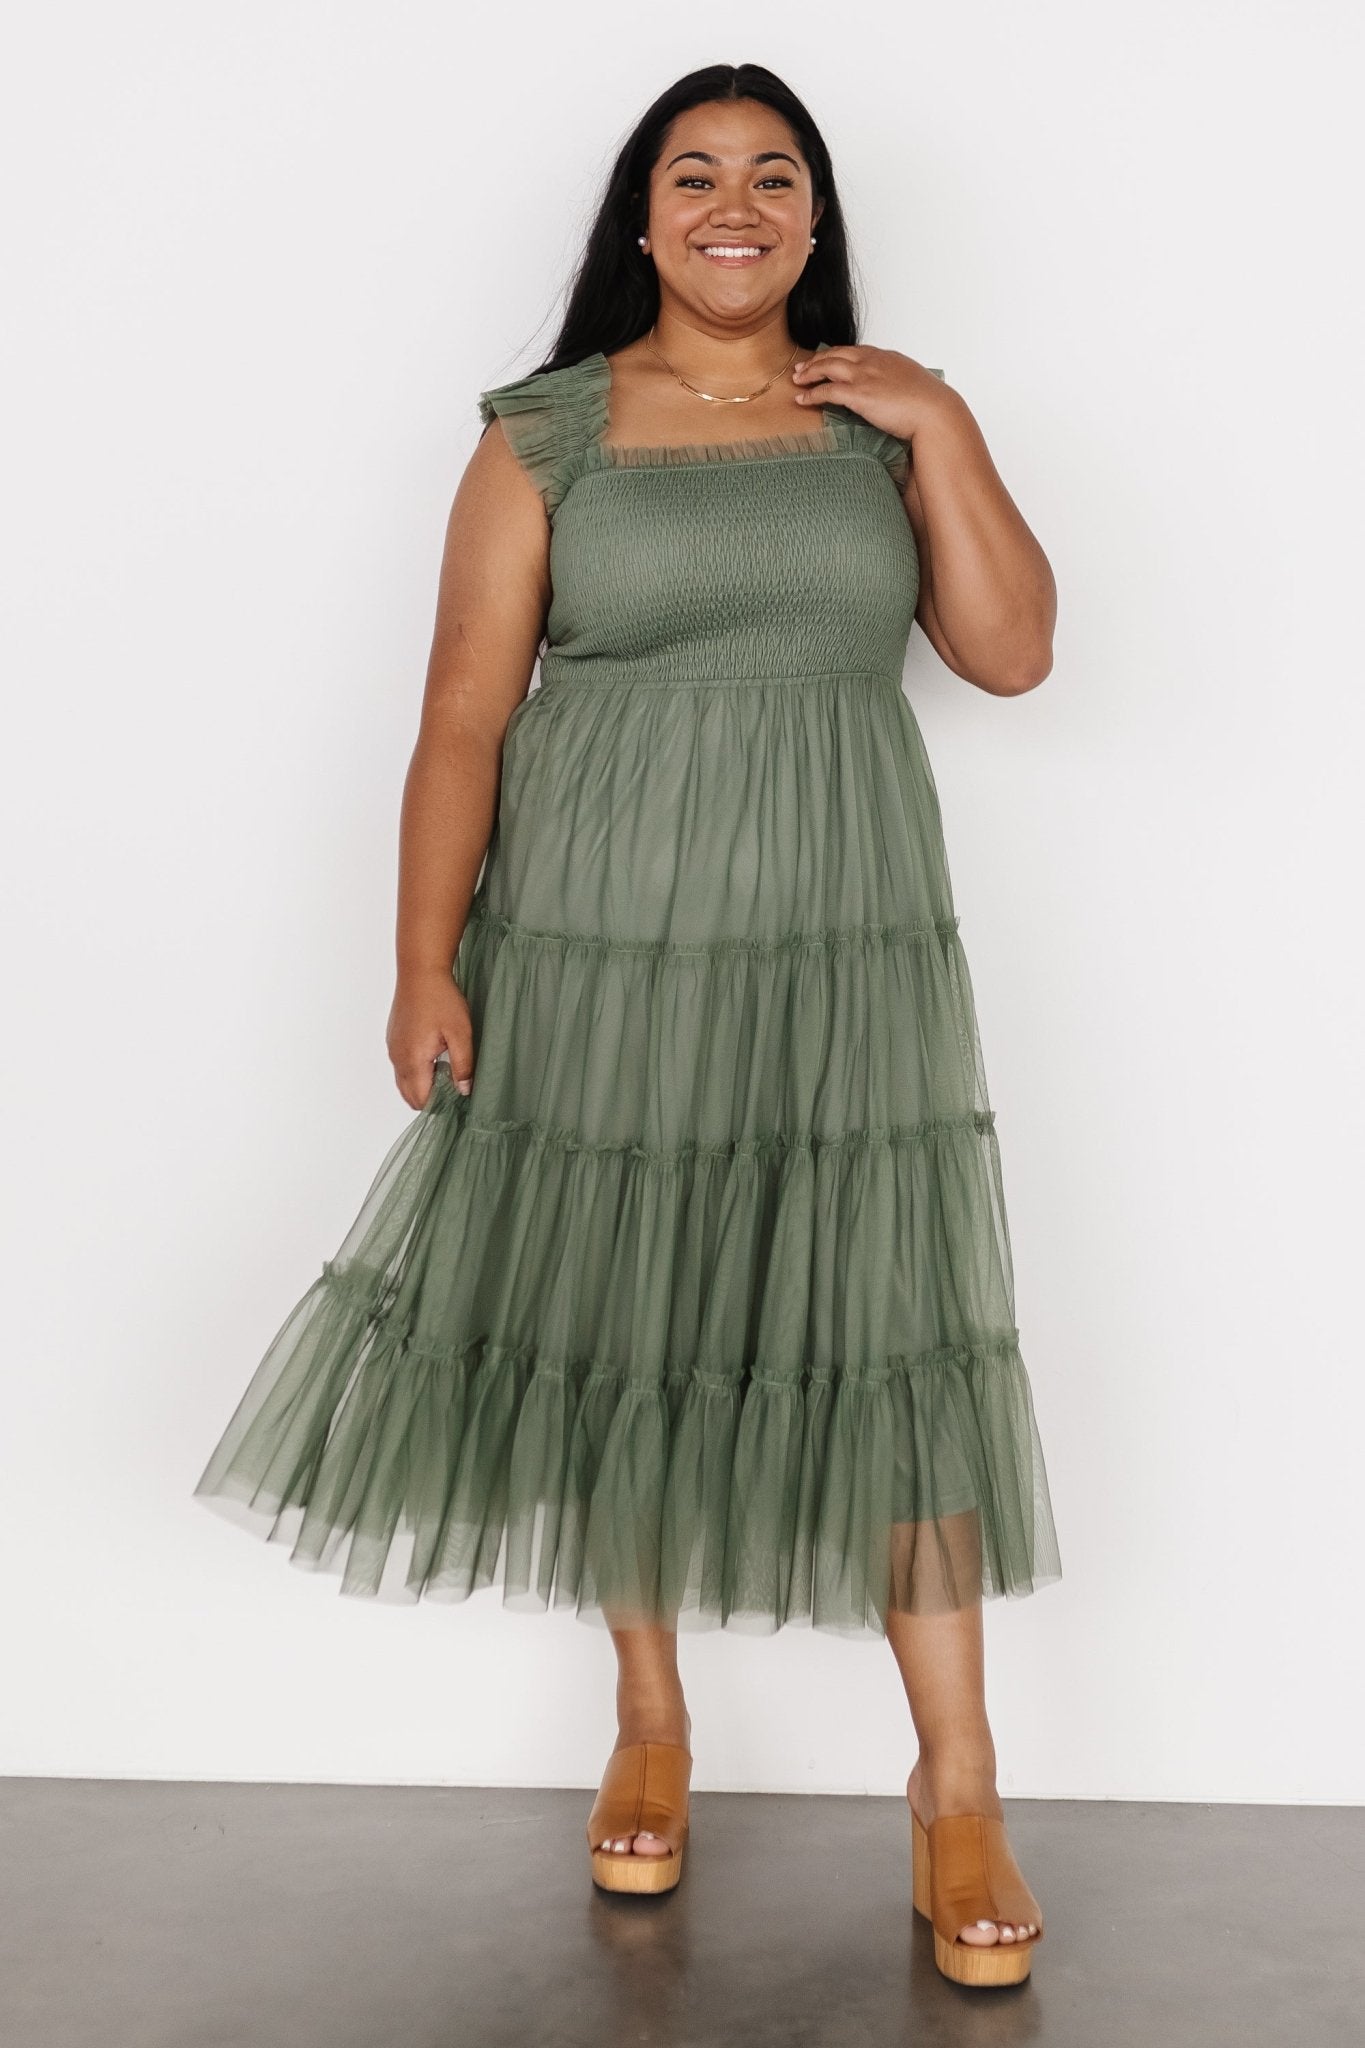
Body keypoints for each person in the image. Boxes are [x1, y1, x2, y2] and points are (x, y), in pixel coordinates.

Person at [194, 61, 1062, 1986]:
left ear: (815, 219)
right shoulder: (550, 435)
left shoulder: (880, 423)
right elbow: (461, 717)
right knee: (620, 1321)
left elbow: (1009, 651)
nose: (732, 204)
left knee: (891, 1343)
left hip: (839, 967)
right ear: (643, 218)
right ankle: (649, 1718)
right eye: (694, 175)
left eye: (771, 175)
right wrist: (422, 961)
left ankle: (959, 1785)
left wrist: (943, 419)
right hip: (590, 951)